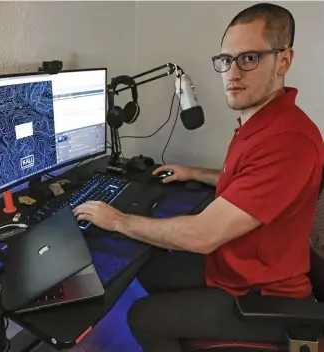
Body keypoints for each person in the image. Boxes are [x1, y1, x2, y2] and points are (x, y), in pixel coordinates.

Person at [74, 3, 324, 351]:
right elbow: (247, 181)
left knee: (143, 317)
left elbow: (204, 235)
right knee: (146, 266)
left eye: (249, 58)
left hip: (265, 297)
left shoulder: (288, 141)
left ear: (283, 61)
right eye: (226, 60)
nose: (232, 74)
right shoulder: (262, 123)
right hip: (237, 264)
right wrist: (196, 173)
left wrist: (117, 221)